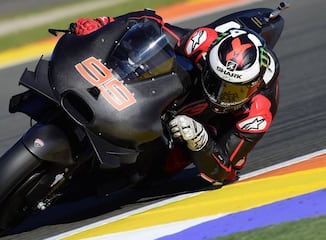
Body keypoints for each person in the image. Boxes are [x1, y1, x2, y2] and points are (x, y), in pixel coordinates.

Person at [70, 9, 280, 186]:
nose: (220, 95)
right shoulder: (202, 42)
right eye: (216, 82)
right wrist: (104, 24)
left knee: (143, 176)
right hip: (158, 99)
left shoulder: (259, 111)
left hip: (197, 131)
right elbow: (150, 23)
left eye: (234, 91)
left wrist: (201, 142)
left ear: (255, 85)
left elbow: (224, 171)